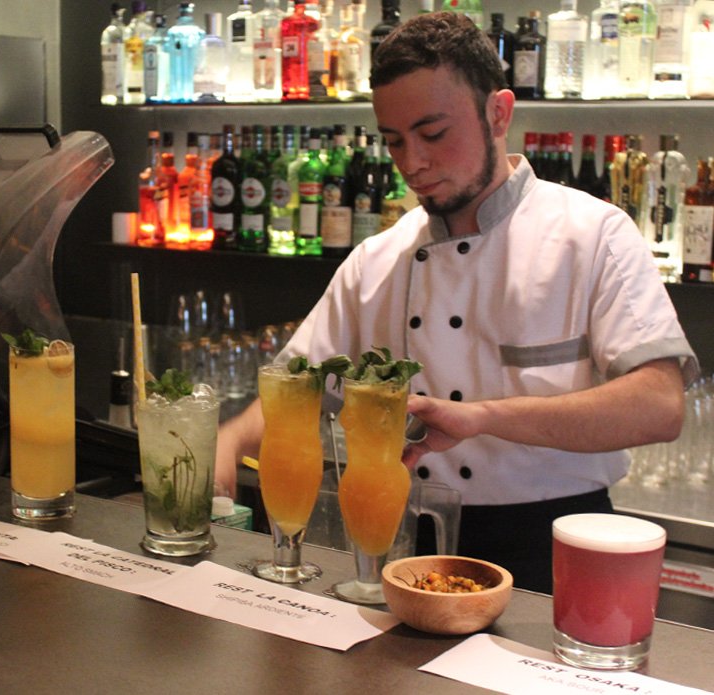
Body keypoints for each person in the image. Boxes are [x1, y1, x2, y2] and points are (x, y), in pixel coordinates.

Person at [214, 11, 699, 593]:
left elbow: (659, 406)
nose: (411, 163)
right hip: (406, 546)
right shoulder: (377, 260)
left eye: (433, 133)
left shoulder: (593, 234)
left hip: (553, 544)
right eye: (394, 141)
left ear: (499, 113)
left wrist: (483, 418)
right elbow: (296, 387)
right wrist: (229, 440)